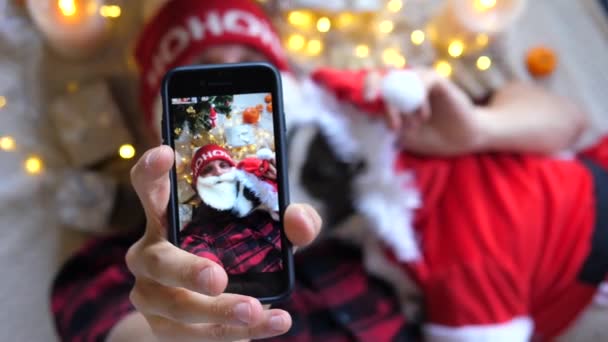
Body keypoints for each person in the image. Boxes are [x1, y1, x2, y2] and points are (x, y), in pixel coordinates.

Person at [49, 0, 596, 341]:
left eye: (248, 61)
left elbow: (569, 122)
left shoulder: (379, 146)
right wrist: (171, 334)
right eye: (200, 72)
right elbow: (116, 329)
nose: (229, 80)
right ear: (160, 131)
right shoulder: (117, 267)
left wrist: (477, 129)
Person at [181, 143, 282, 274]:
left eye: (223, 165)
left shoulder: (266, 196)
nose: (218, 172)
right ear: (198, 188)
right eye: (207, 170)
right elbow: (208, 275)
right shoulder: (197, 235)